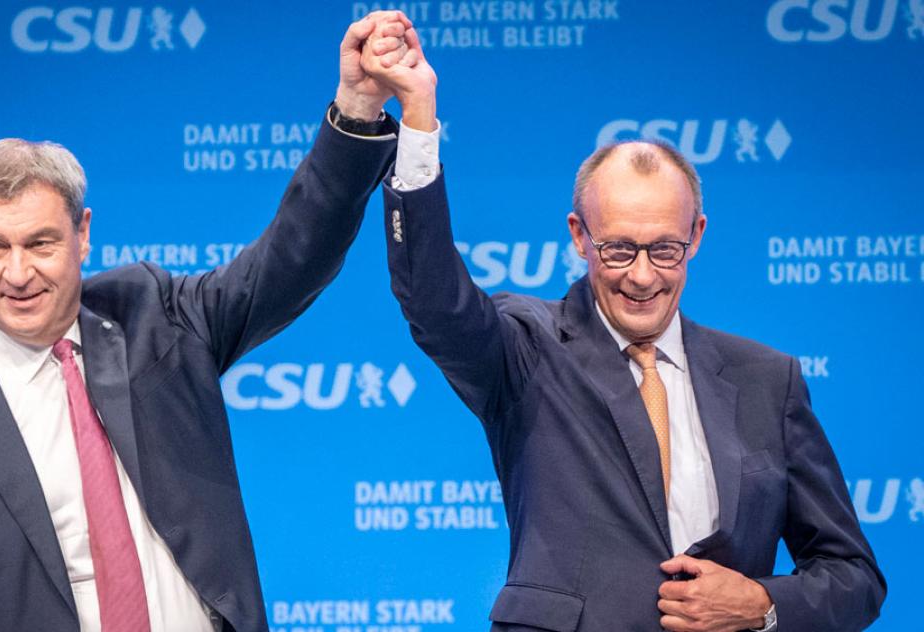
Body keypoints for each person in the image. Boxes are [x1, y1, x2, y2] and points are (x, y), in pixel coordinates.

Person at [0, 14, 417, 632]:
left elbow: (289, 262)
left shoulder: (155, 320)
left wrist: (357, 109)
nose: (17, 273)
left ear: (82, 235)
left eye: (40, 244)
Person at [360, 19, 886, 632]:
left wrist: (761, 604)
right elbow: (435, 302)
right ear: (579, 237)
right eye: (618, 250)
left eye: (664, 249)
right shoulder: (526, 350)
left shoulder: (769, 380)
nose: (641, 276)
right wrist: (418, 117)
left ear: (696, 236)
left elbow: (853, 577)